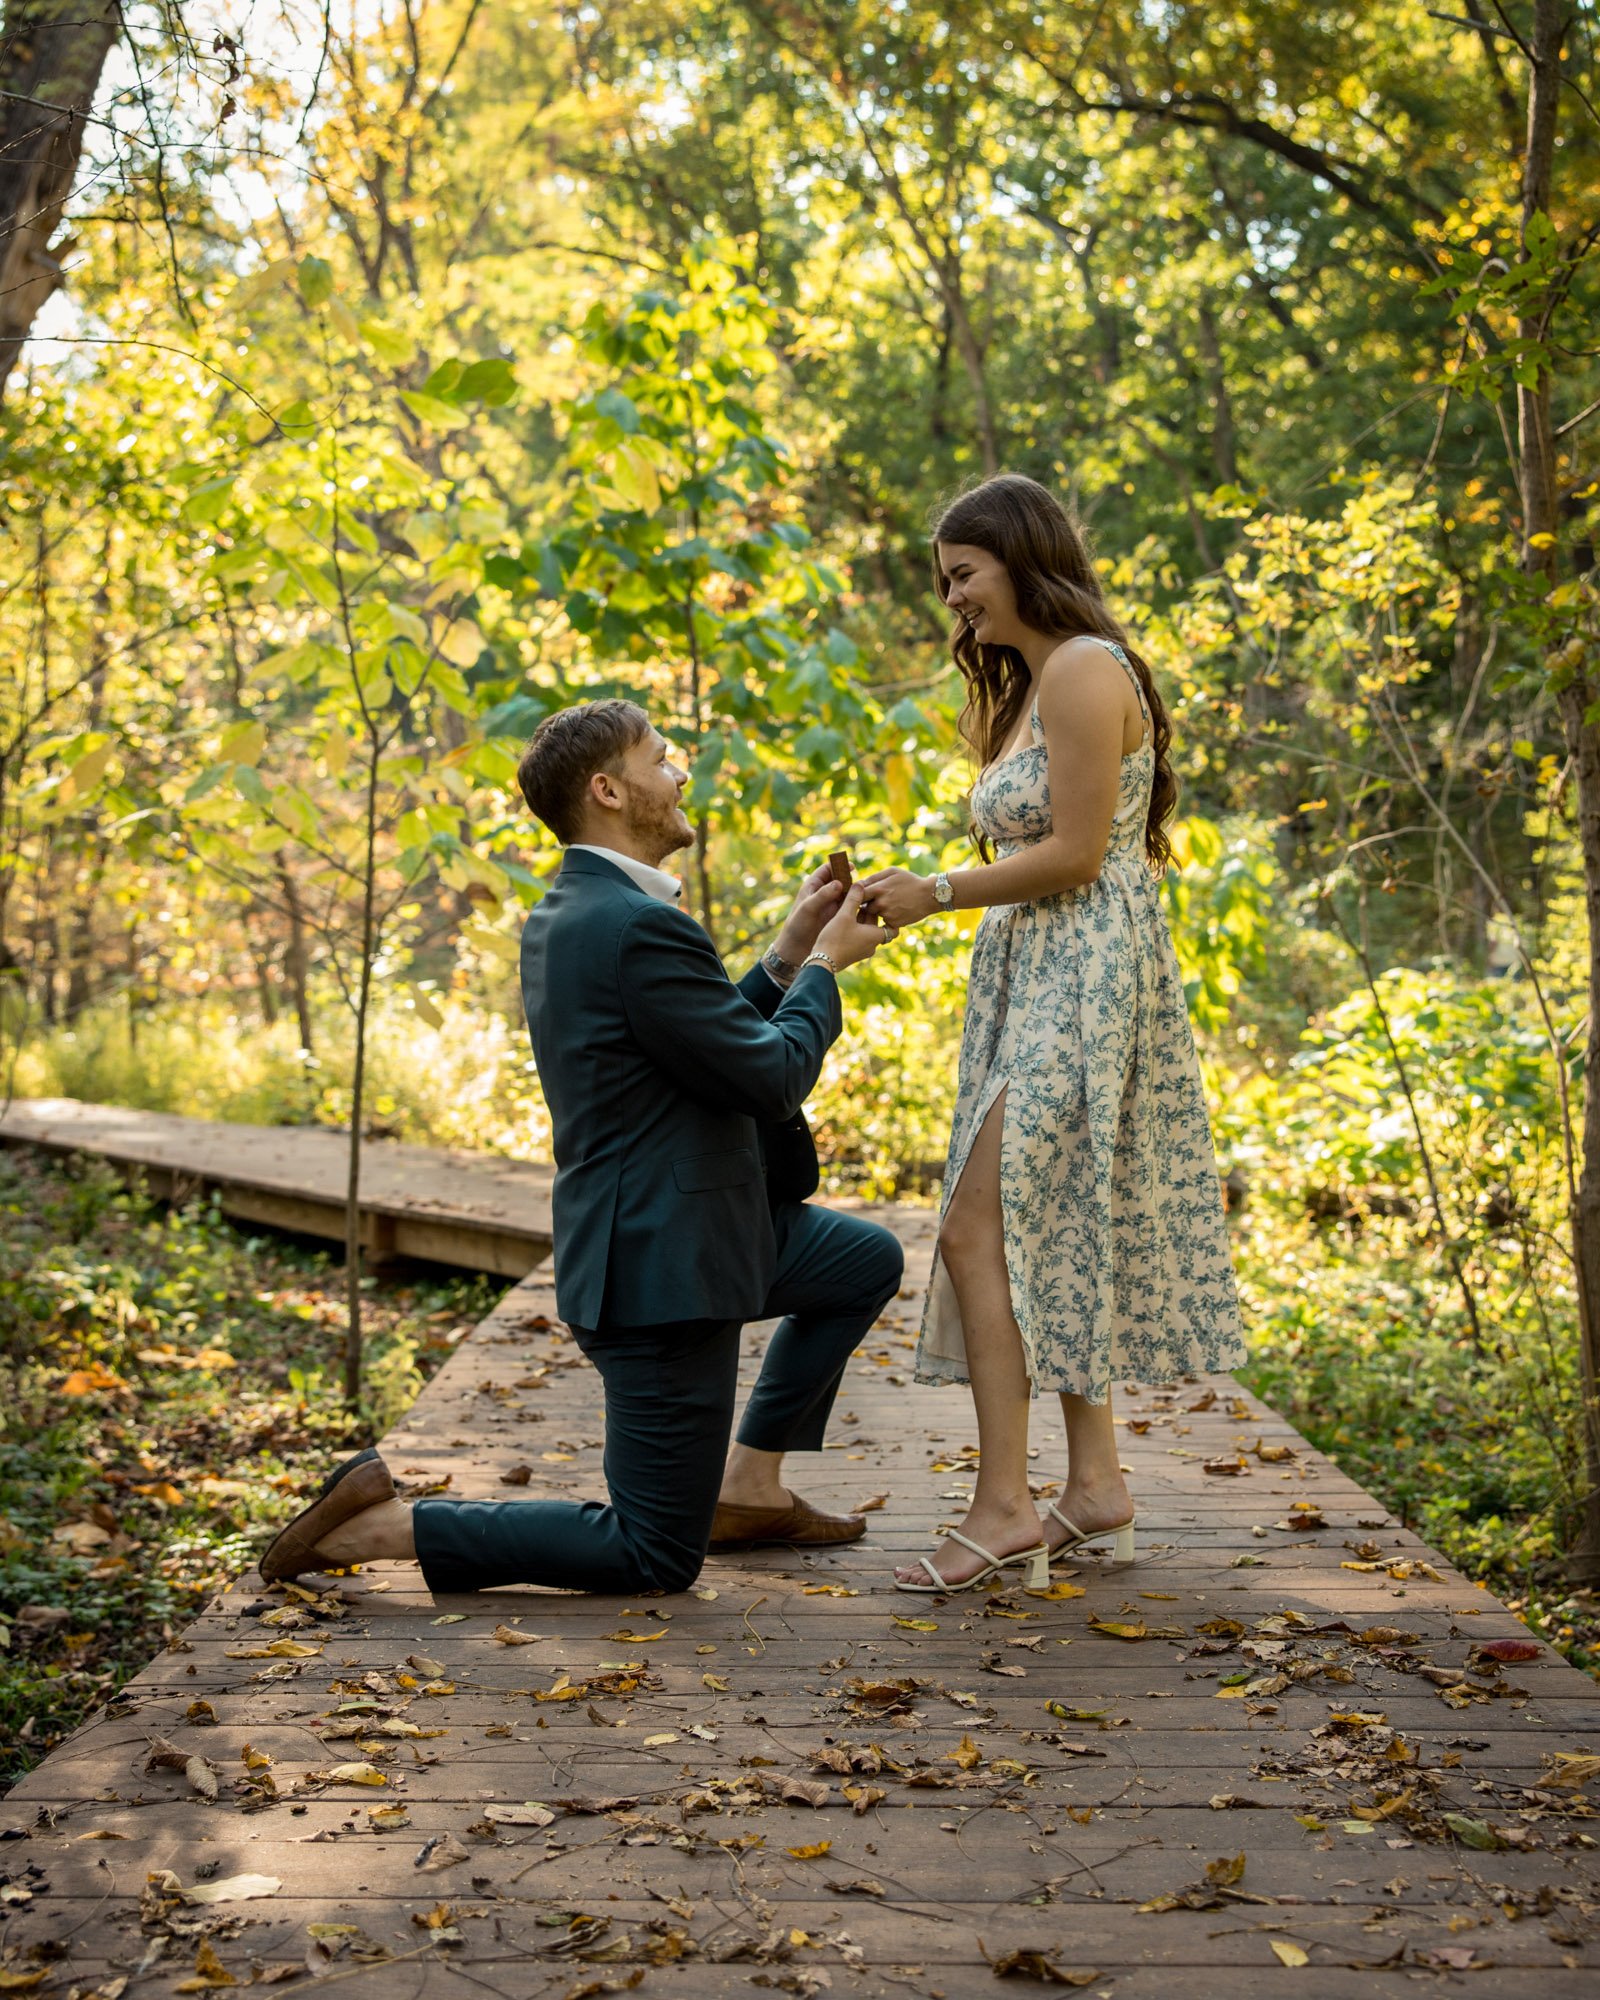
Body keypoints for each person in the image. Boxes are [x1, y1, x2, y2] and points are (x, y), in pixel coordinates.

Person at [260, 698, 902, 1596]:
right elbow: (767, 1076)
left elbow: (703, 1046)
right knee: (652, 1554)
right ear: (608, 789)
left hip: (690, 1224)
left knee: (862, 1259)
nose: (680, 774)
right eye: (661, 758)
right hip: (662, 1270)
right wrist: (829, 967)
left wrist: (793, 949)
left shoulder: (585, 910)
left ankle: (750, 1488)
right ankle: (388, 1523)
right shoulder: (636, 924)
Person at [858, 474, 1247, 1593]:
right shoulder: (1031, 682)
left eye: (963, 574)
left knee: (975, 1227)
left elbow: (1077, 852)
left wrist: (937, 886)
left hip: (1085, 973)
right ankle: (1093, 1487)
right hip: (1036, 971)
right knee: (1048, 1219)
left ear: (1023, 558)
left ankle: (1002, 1504)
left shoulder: (1082, 667)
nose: (953, 600)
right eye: (945, 581)